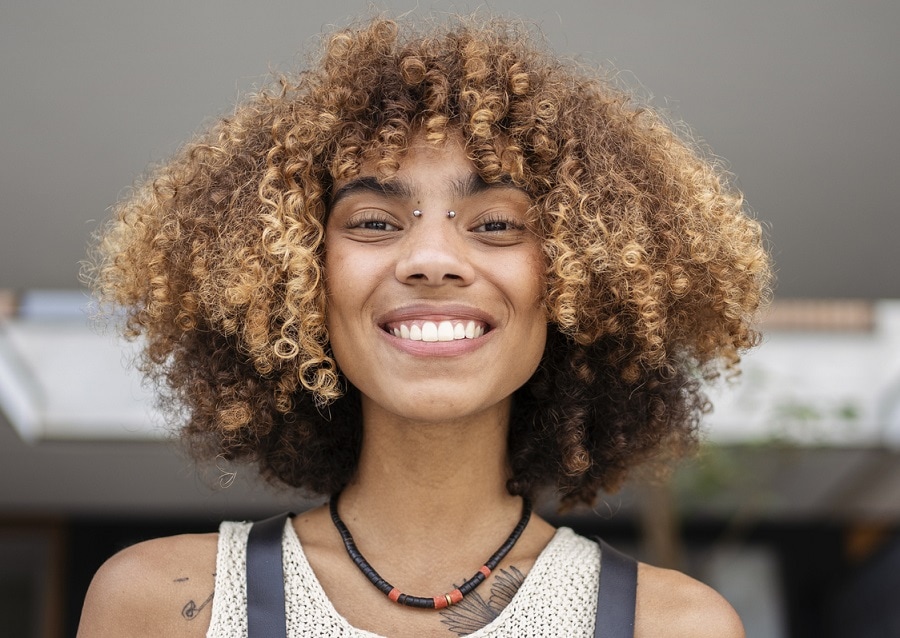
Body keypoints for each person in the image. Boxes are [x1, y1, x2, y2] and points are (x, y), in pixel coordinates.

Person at [77, 14, 770, 638]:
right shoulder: (160, 606)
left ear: (580, 283)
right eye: (374, 222)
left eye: (496, 224)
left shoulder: (675, 626)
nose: (432, 260)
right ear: (296, 278)